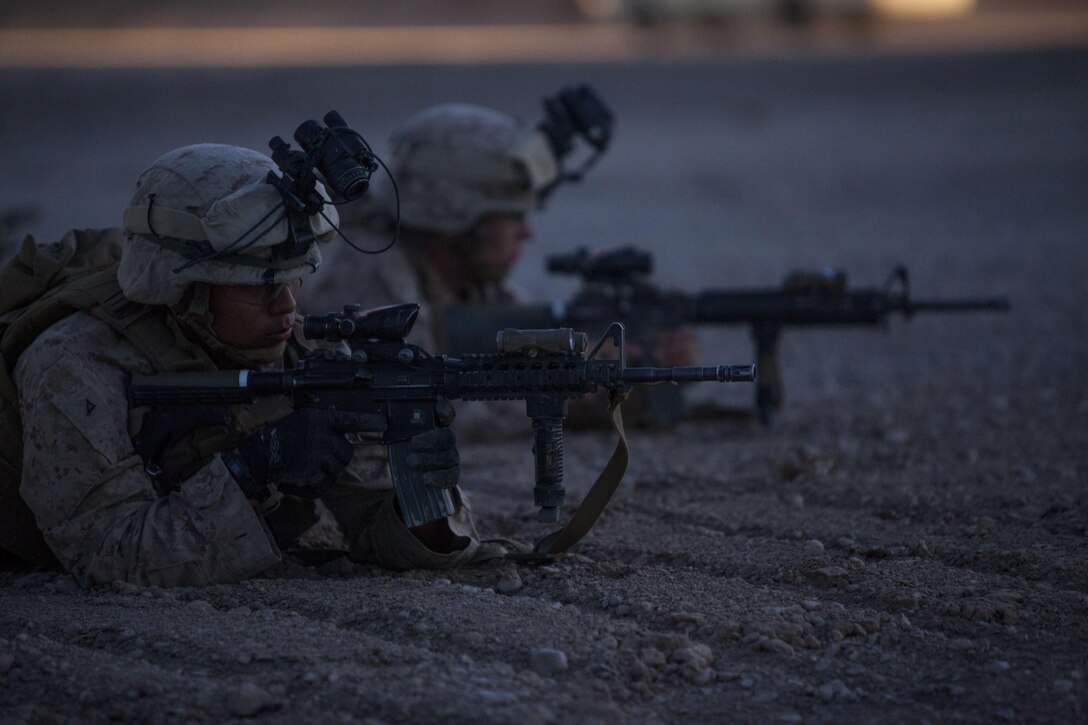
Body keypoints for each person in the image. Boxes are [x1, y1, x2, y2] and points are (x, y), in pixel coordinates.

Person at [3, 143, 478, 585]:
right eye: (257, 285)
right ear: (180, 286)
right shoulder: (77, 362)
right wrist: (250, 467)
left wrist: (426, 508)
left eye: (295, 278)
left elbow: (373, 527)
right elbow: (107, 555)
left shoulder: (299, 350)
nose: (286, 305)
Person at [308, 101, 699, 433]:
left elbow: (519, 348)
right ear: (455, 216)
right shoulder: (369, 270)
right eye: (512, 217)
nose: (527, 232)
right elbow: (421, 406)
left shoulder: (470, 280)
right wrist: (581, 397)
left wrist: (627, 366)